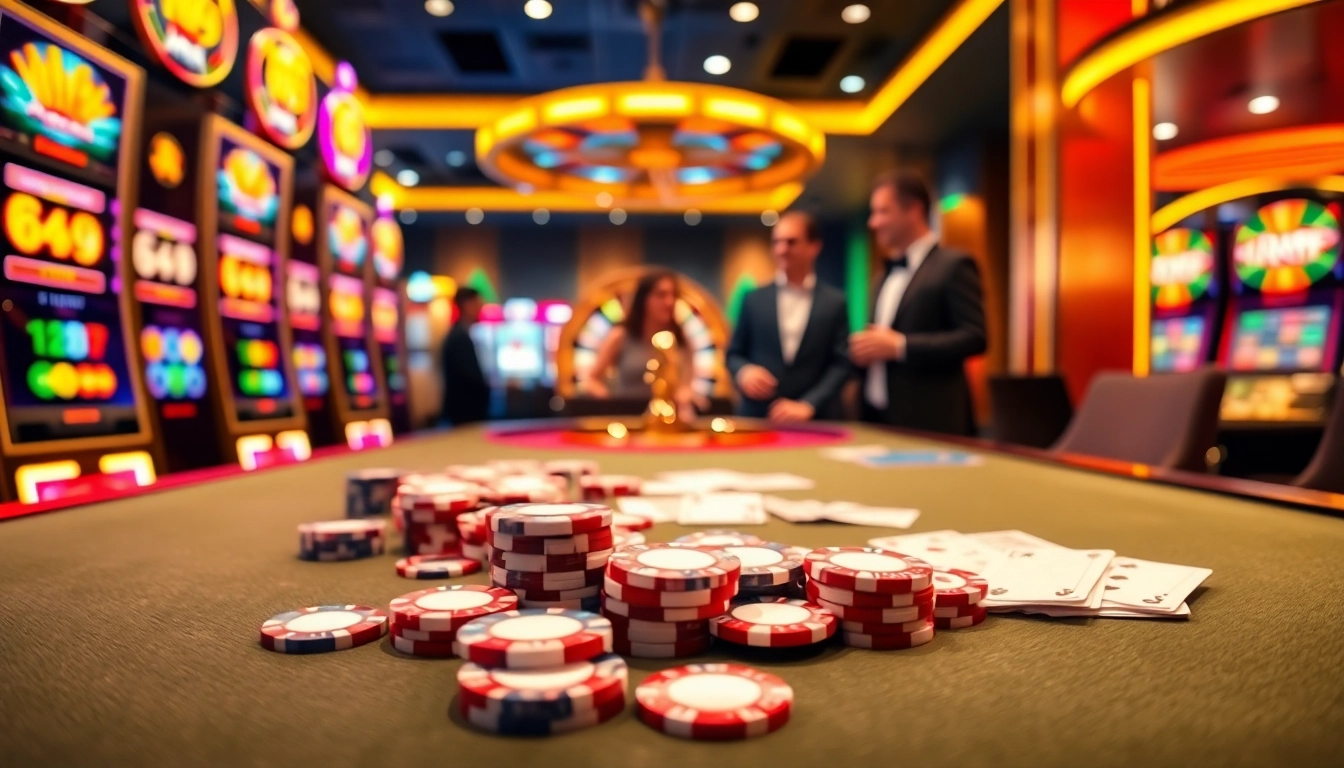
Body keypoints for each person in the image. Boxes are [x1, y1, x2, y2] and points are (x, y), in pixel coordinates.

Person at [850, 170, 987, 435]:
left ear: (914, 210)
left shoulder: (954, 265)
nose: (873, 222)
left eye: (882, 212)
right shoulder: (882, 275)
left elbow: (975, 337)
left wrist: (900, 346)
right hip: (877, 419)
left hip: (930, 423)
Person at [726, 211, 851, 422]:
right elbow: (733, 354)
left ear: (814, 247)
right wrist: (744, 372)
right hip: (758, 417)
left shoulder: (835, 303)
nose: (782, 249)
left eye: (791, 242)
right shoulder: (753, 299)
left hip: (816, 420)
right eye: (777, 242)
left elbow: (841, 364)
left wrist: (809, 404)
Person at [580, 269, 697, 414]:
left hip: (670, 420)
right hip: (628, 418)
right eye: (661, 295)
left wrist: (685, 394)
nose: (669, 302)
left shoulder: (683, 339)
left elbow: (687, 384)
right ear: (643, 299)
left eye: (673, 295)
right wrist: (609, 404)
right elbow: (591, 380)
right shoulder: (620, 336)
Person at [439, 287, 491, 426]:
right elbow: (470, 378)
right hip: (465, 414)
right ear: (467, 305)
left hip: (462, 412)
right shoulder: (459, 338)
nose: (480, 309)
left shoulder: (459, 334)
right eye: (478, 304)